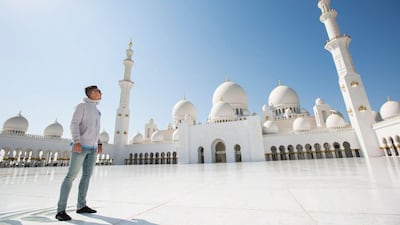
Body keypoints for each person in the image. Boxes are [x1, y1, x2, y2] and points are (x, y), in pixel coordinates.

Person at [55, 85, 103, 221]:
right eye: (98, 91)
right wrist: (76, 141)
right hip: (81, 147)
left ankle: (81, 206)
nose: (100, 93)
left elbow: (96, 130)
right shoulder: (82, 106)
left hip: (93, 148)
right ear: (91, 93)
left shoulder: (97, 111)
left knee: (86, 176)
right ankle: (60, 210)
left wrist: (99, 143)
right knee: (71, 176)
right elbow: (74, 124)